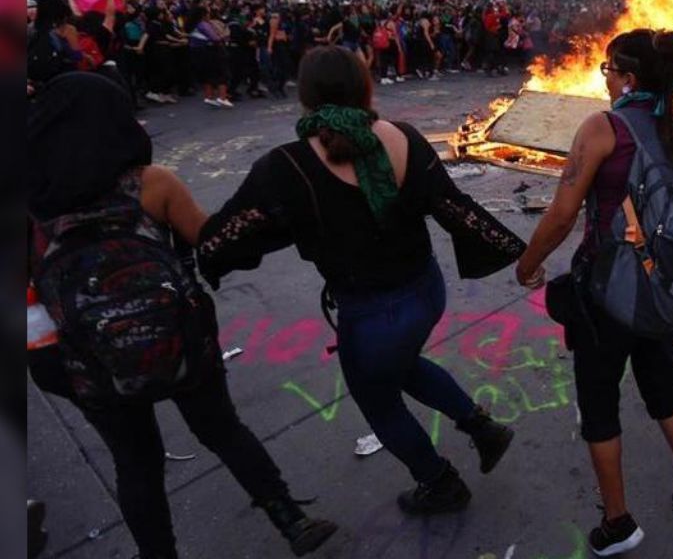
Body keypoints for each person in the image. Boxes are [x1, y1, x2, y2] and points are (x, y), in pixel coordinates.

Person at [198, 46, 525, 517]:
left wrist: (202, 247)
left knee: (381, 402)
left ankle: (440, 483)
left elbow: (229, 235)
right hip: (424, 290)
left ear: (305, 96)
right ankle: (481, 428)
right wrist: (514, 251)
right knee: (404, 363)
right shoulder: (404, 137)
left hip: (371, 313)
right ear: (364, 86)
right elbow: (454, 208)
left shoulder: (285, 166)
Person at [27, 73, 336, 559]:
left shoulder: (30, 208)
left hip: (93, 362)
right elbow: (210, 241)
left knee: (136, 464)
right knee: (221, 429)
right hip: (181, 341)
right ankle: (289, 518)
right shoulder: (150, 185)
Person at [514, 29, 673, 556]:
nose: (605, 80)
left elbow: (562, 212)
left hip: (607, 296)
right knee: (663, 385)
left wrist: (528, 264)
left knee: (599, 403)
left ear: (629, 78)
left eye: (608, 71)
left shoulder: (604, 128)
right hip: (665, 291)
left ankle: (617, 523)